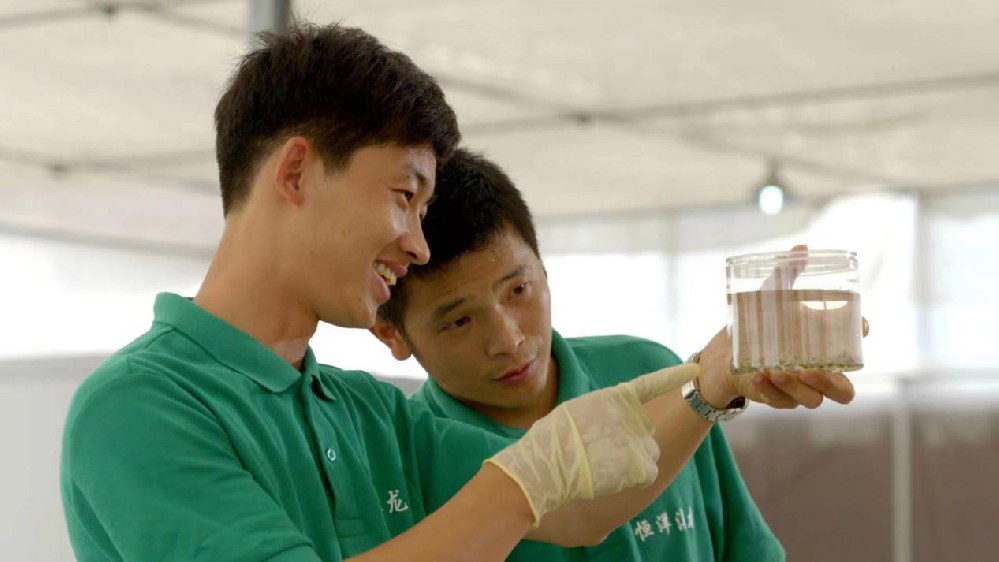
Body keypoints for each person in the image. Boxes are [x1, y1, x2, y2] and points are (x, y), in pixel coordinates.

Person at [59, 24, 774, 562]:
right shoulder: (140, 406)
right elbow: (534, 492)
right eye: (405, 196)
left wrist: (713, 383)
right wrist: (525, 480)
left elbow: (579, 514)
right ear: (296, 173)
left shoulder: (366, 412)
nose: (418, 246)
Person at [373, 148, 864, 561]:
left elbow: (745, 548)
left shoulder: (653, 370)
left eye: (518, 290)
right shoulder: (411, 463)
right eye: (460, 321)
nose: (509, 339)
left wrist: (714, 382)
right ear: (391, 333)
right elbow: (583, 516)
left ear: (543, 266)